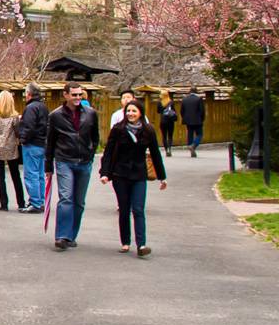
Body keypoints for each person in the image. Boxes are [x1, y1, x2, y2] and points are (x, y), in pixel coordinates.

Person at [100, 100, 169, 256]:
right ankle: (125, 242)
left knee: (138, 209)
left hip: (138, 174)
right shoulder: (118, 130)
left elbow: (155, 155)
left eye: (134, 111)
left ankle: (142, 245)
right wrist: (105, 173)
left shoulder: (148, 131)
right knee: (124, 209)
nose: (130, 114)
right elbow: (109, 152)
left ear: (140, 113)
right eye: (128, 111)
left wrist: (162, 177)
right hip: (120, 174)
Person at [45, 80, 100, 251]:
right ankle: (62, 235)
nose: (77, 98)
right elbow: (50, 142)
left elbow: (95, 136)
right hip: (64, 160)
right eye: (74, 95)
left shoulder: (91, 113)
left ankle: (71, 235)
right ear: (66, 95)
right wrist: (48, 166)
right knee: (66, 198)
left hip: (84, 161)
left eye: (80, 94)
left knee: (79, 201)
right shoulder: (55, 116)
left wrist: (91, 154)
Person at [0, 90, 26, 211]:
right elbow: (18, 132)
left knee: (0, 176)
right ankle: (21, 203)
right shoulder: (14, 116)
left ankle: (4, 204)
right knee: (15, 175)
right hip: (10, 147)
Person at [17, 82, 48, 213]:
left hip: (32, 144)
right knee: (40, 174)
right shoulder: (43, 107)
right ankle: (41, 201)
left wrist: (22, 139)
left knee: (31, 174)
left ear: (28, 94)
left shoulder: (30, 108)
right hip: (42, 143)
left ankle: (35, 202)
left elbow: (29, 127)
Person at [180, 87, 205, 157]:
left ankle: (190, 145)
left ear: (189, 92)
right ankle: (194, 145)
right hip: (197, 120)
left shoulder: (185, 99)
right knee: (199, 134)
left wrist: (184, 118)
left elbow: (182, 111)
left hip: (188, 120)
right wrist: (202, 119)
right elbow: (202, 111)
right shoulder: (199, 99)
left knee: (190, 133)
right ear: (196, 92)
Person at [158, 90, 178, 157]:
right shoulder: (171, 102)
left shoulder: (159, 102)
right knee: (170, 135)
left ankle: (166, 150)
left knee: (164, 136)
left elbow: (158, 111)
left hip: (163, 121)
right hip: (170, 121)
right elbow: (174, 111)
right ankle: (169, 148)